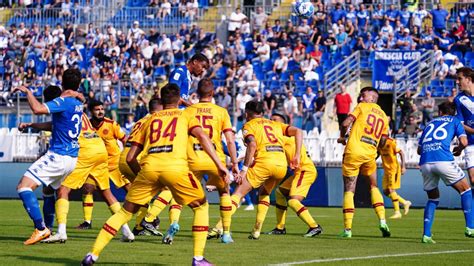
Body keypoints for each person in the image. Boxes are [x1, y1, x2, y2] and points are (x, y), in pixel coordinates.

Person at [81, 83, 229, 265]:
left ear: (161, 97)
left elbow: (130, 157)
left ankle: (92, 254)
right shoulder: (186, 114)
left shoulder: (148, 120)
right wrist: (219, 164)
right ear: (179, 98)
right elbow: (203, 137)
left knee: (125, 212)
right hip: (176, 168)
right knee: (200, 206)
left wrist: (142, 176)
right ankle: (198, 258)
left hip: (149, 167)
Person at [40, 87, 134, 243]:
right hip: (99, 148)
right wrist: (32, 125)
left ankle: (61, 231)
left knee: (63, 189)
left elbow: (53, 125)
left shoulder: (61, 108)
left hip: (85, 151)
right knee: (106, 192)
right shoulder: (77, 108)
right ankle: (126, 231)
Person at [208, 100, 303, 240]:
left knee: (238, 193)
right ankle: (256, 230)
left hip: (264, 163)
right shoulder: (275, 124)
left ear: (247, 114)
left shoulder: (248, 126)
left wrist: (244, 170)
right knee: (264, 192)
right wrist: (297, 155)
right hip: (281, 165)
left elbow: (252, 145)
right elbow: (299, 131)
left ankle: (218, 227)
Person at [15, 69, 83, 245]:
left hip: (59, 155)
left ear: (62, 82)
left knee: (24, 187)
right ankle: (51, 230)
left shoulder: (64, 101)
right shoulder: (77, 103)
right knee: (48, 191)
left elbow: (37, 109)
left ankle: (41, 228)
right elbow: (55, 125)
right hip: (71, 158)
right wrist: (32, 125)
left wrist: (28, 92)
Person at [182, 78, 239, 244]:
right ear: (213, 93)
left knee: (178, 194)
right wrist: (234, 163)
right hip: (216, 160)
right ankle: (226, 233)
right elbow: (229, 140)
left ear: (197, 93)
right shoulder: (221, 112)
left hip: (192, 159)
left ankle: (173, 225)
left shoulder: (188, 111)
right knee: (224, 192)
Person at [337, 87, 390, 238]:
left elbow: (345, 123)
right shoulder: (384, 117)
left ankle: (347, 230)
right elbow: (384, 139)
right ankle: (382, 221)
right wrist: (377, 150)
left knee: (349, 189)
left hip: (354, 151)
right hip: (370, 154)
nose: (360, 98)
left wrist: (342, 137)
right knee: (374, 186)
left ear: (372, 97)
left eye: (363, 95)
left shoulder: (362, 106)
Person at [418, 101, 474, 243]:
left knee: (433, 198)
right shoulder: (455, 121)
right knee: (466, 190)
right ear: (454, 112)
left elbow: (419, 149)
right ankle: (470, 228)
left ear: (440, 112)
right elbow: (464, 142)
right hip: (443, 160)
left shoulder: (429, 123)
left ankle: (426, 235)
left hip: (425, 163)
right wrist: (459, 150)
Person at [118, 98, 171, 237]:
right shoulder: (155, 120)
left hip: (124, 158)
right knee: (167, 188)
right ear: (160, 108)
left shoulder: (140, 120)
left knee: (142, 194)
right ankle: (149, 218)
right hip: (137, 159)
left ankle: (139, 226)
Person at [76, 100, 130, 230]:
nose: (100, 111)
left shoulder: (111, 124)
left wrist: (127, 156)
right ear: (91, 111)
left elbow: (125, 139)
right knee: (88, 188)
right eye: (97, 109)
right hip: (97, 164)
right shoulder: (86, 125)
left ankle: (147, 219)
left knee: (130, 189)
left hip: (114, 163)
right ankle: (87, 222)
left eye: (102, 109)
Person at [267, 113, 322, 237]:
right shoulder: (285, 137)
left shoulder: (285, 137)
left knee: (293, 201)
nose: (271, 121)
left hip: (305, 170)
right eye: (270, 119)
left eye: (274, 120)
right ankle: (280, 228)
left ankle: (314, 226)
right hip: (300, 171)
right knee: (280, 193)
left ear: (283, 124)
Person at [378, 137, 411, 219]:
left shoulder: (391, 143)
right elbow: (378, 153)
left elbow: (401, 153)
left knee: (391, 190)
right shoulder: (377, 142)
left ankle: (397, 212)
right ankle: (405, 202)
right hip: (386, 170)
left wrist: (403, 167)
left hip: (394, 169)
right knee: (385, 192)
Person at [454, 67, 474, 189]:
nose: (457, 82)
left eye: (459, 79)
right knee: (472, 179)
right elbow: (460, 124)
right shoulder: (459, 99)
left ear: (469, 79)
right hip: (471, 143)